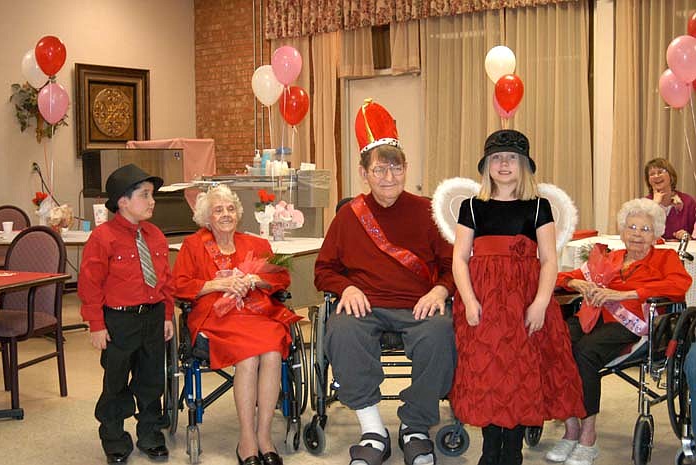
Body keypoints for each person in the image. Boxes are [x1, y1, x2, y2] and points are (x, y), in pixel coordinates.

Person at [315, 98, 456, 465]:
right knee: (342, 330)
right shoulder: (348, 216)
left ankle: (415, 427)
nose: (388, 177)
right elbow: (323, 269)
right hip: (366, 305)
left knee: (441, 333)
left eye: (395, 168)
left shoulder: (427, 211)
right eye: (379, 170)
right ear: (364, 173)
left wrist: (440, 289)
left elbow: (452, 265)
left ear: (406, 168)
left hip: (418, 305)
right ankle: (373, 429)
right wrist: (345, 287)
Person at [449, 129, 586, 465]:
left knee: (520, 374)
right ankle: (489, 448)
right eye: (497, 157)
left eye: (511, 157)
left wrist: (540, 302)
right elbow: (459, 258)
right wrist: (468, 300)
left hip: (524, 302)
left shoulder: (539, 207)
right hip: (483, 303)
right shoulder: (472, 206)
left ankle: (512, 450)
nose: (504, 163)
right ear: (487, 166)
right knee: (488, 373)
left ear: (524, 165)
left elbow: (550, 260)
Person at [547, 197, 692, 465]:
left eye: (645, 229)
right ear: (623, 231)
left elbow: (679, 285)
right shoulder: (610, 258)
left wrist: (627, 293)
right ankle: (571, 428)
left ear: (656, 233)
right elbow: (561, 278)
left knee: (584, 353)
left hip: (633, 325)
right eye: (632, 227)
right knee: (555, 344)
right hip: (592, 317)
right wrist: (577, 283)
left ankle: (588, 437)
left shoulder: (665, 258)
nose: (637, 234)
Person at [172, 184, 299, 465]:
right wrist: (218, 283)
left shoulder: (255, 244)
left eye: (230, 208)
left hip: (256, 314)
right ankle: (247, 440)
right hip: (217, 317)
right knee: (249, 357)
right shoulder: (194, 246)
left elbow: (281, 279)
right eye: (218, 210)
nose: (226, 214)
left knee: (273, 352)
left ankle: (264, 436)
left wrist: (256, 280)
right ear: (207, 217)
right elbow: (179, 286)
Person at [78, 164, 175, 464]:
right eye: (144, 195)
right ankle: (114, 435)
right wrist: (96, 324)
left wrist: (168, 314)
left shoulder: (156, 235)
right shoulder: (103, 237)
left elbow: (165, 279)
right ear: (123, 201)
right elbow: (90, 284)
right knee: (116, 381)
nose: (152, 201)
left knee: (151, 379)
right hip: (119, 319)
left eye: (152, 195)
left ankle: (149, 432)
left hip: (153, 315)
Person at [644, 157, 696, 240]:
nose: (656, 176)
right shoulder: (643, 204)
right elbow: (639, 233)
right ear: (648, 180)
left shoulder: (688, 202)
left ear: (671, 176)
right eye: (652, 174)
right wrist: (654, 204)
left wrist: (687, 237)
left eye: (660, 172)